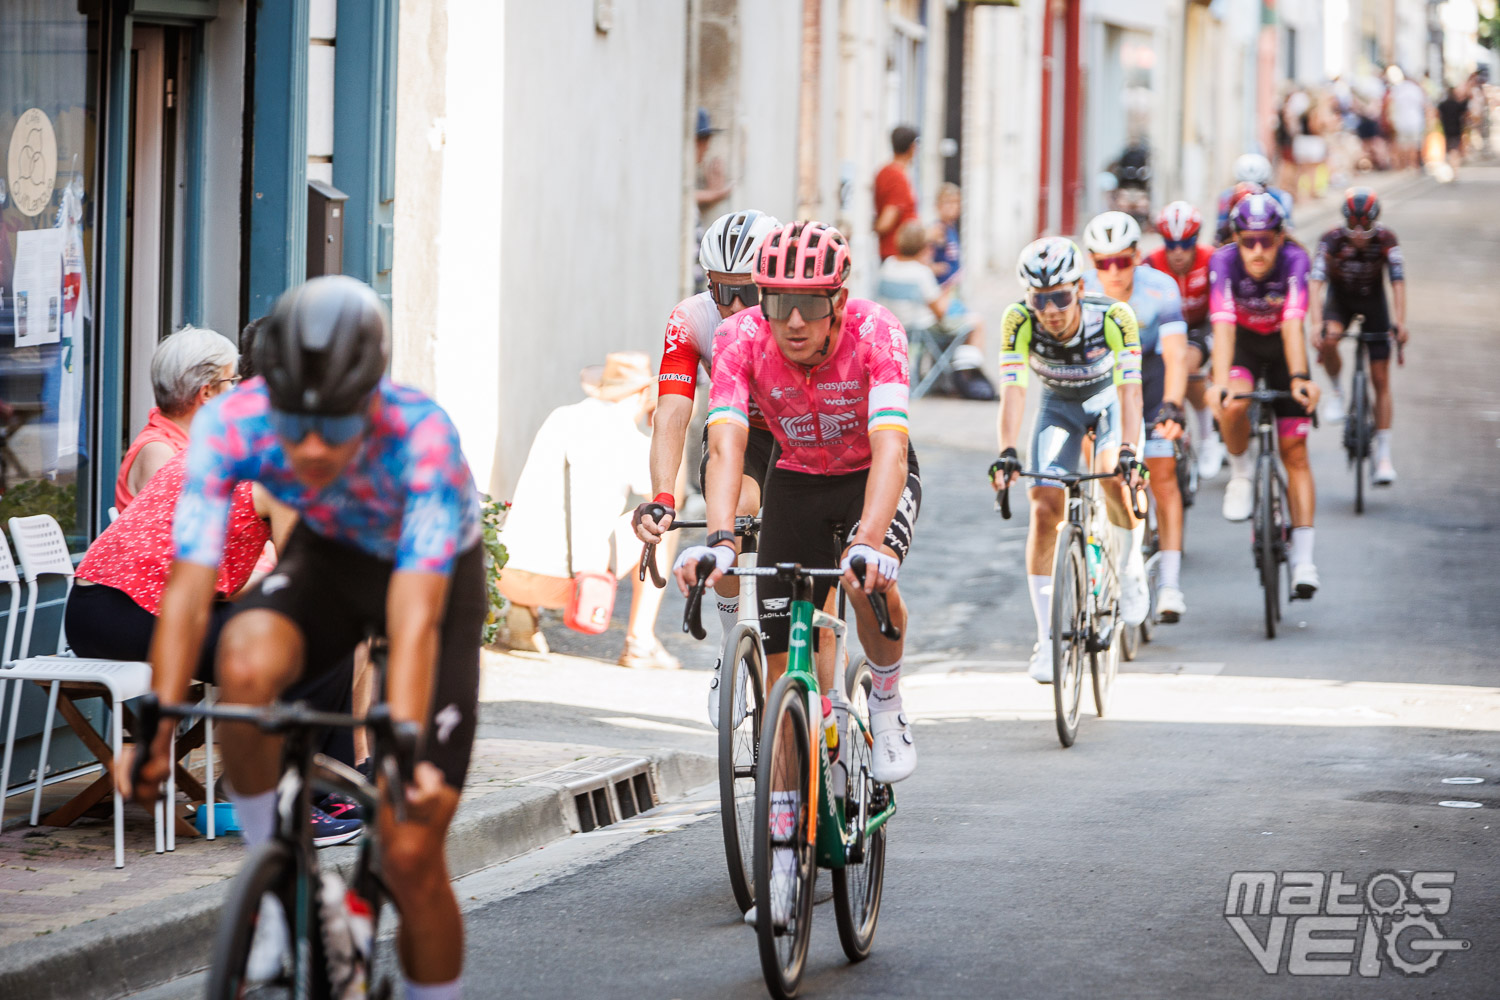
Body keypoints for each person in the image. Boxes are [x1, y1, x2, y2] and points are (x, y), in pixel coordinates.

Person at [125, 276, 486, 1000]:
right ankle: (275, 879)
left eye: (336, 426)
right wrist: (156, 724)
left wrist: (405, 739)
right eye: (298, 424)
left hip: (432, 582)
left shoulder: (420, 434)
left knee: (415, 848)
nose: (314, 448)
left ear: (370, 399)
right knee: (243, 656)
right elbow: (190, 589)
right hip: (328, 560)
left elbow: (411, 620)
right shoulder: (235, 421)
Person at [676, 220, 919, 928]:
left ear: (840, 301)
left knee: (864, 578)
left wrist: (871, 541)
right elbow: (725, 443)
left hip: (872, 478)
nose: (794, 322)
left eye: (811, 305)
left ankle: (886, 697)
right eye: (779, 304)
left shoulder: (879, 333)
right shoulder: (740, 338)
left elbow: (892, 449)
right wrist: (721, 540)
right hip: (797, 485)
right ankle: (786, 860)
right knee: (789, 688)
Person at [633, 208, 780, 706]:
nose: (736, 306)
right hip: (741, 433)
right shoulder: (691, 318)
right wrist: (662, 497)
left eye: (749, 292)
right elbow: (672, 413)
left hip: (803, 432)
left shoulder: (795, 311)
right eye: (723, 290)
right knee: (735, 511)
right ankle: (732, 642)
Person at [989, 238, 1147, 683]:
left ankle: (1131, 567)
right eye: (1041, 299)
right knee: (1043, 507)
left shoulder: (1114, 315)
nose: (1052, 310)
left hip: (1108, 401)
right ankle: (1047, 640)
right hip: (1058, 408)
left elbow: (1131, 391)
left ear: (1080, 287)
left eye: (1061, 296)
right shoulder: (1018, 321)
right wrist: (1006, 450)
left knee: (1115, 474)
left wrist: (1131, 450)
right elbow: (1014, 390)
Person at [501, 352, 679, 669]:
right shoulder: (631, 439)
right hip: (569, 587)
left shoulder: (560, 416)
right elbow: (660, 499)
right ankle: (640, 641)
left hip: (509, 574)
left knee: (543, 504)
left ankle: (522, 613)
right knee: (658, 523)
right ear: (641, 395)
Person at [1207, 194, 1321, 597]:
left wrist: (1301, 378)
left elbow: (1293, 324)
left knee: (1295, 452)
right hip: (1244, 348)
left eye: (1266, 240)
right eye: (1248, 241)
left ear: (1280, 236)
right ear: (1236, 238)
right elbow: (1221, 326)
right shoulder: (1222, 262)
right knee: (1231, 402)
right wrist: (1219, 383)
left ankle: (1304, 560)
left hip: (1283, 349)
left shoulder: (1295, 261)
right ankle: (1240, 472)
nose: (1257, 250)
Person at [1084, 212, 1190, 622]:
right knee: (1101, 471)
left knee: (1161, 475)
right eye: (1103, 262)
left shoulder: (1160, 289)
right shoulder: (1083, 290)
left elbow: (1176, 354)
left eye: (1122, 261)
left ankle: (1170, 584)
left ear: (1137, 257)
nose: (1113, 271)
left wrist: (1173, 403)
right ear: (1092, 262)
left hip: (1149, 379)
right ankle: (1108, 552)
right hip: (1100, 384)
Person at [1308, 188, 1407, 484]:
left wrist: (1400, 322)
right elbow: (1315, 283)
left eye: (1367, 228)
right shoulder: (1330, 240)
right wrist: (1316, 323)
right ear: (1344, 224)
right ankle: (1337, 391)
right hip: (1341, 302)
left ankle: (1384, 455)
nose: (1361, 235)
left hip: (1373, 302)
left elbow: (1398, 282)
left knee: (1380, 378)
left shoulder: (1387, 239)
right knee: (1329, 338)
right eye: (1353, 228)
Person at [116, 326, 239, 510]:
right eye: (230, 381)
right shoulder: (159, 451)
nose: (235, 390)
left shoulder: (195, 442)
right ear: (206, 392)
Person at [1148, 201, 1225, 478]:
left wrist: (1219, 360)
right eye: (1171, 245)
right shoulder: (1151, 263)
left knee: (1189, 368)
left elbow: (1222, 310)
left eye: (1186, 243)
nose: (1178, 252)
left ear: (1196, 239)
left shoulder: (1212, 259)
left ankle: (1207, 440)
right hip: (1166, 328)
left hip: (1201, 325)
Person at [875, 221, 991, 399]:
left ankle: (943, 378)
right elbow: (940, 313)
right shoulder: (921, 273)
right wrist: (947, 290)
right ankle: (968, 377)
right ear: (923, 247)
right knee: (976, 323)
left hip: (895, 327)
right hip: (922, 330)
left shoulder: (888, 265)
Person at [1216, 155, 1292, 240]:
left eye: (1259, 186)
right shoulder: (1227, 196)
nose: (1253, 191)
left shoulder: (1281, 197)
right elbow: (1219, 233)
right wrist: (1231, 206)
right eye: (1245, 186)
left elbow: (1288, 232)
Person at [873, 125, 919, 261]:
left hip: (893, 251)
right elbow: (886, 221)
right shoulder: (896, 177)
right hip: (898, 253)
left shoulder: (883, 172)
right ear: (912, 148)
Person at [1437, 86, 1467, 177]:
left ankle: (1453, 167)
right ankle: (1454, 168)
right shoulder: (1457, 105)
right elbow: (1464, 113)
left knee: (1450, 150)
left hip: (1447, 130)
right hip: (1456, 130)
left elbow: (1438, 114)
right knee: (1454, 150)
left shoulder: (1442, 105)